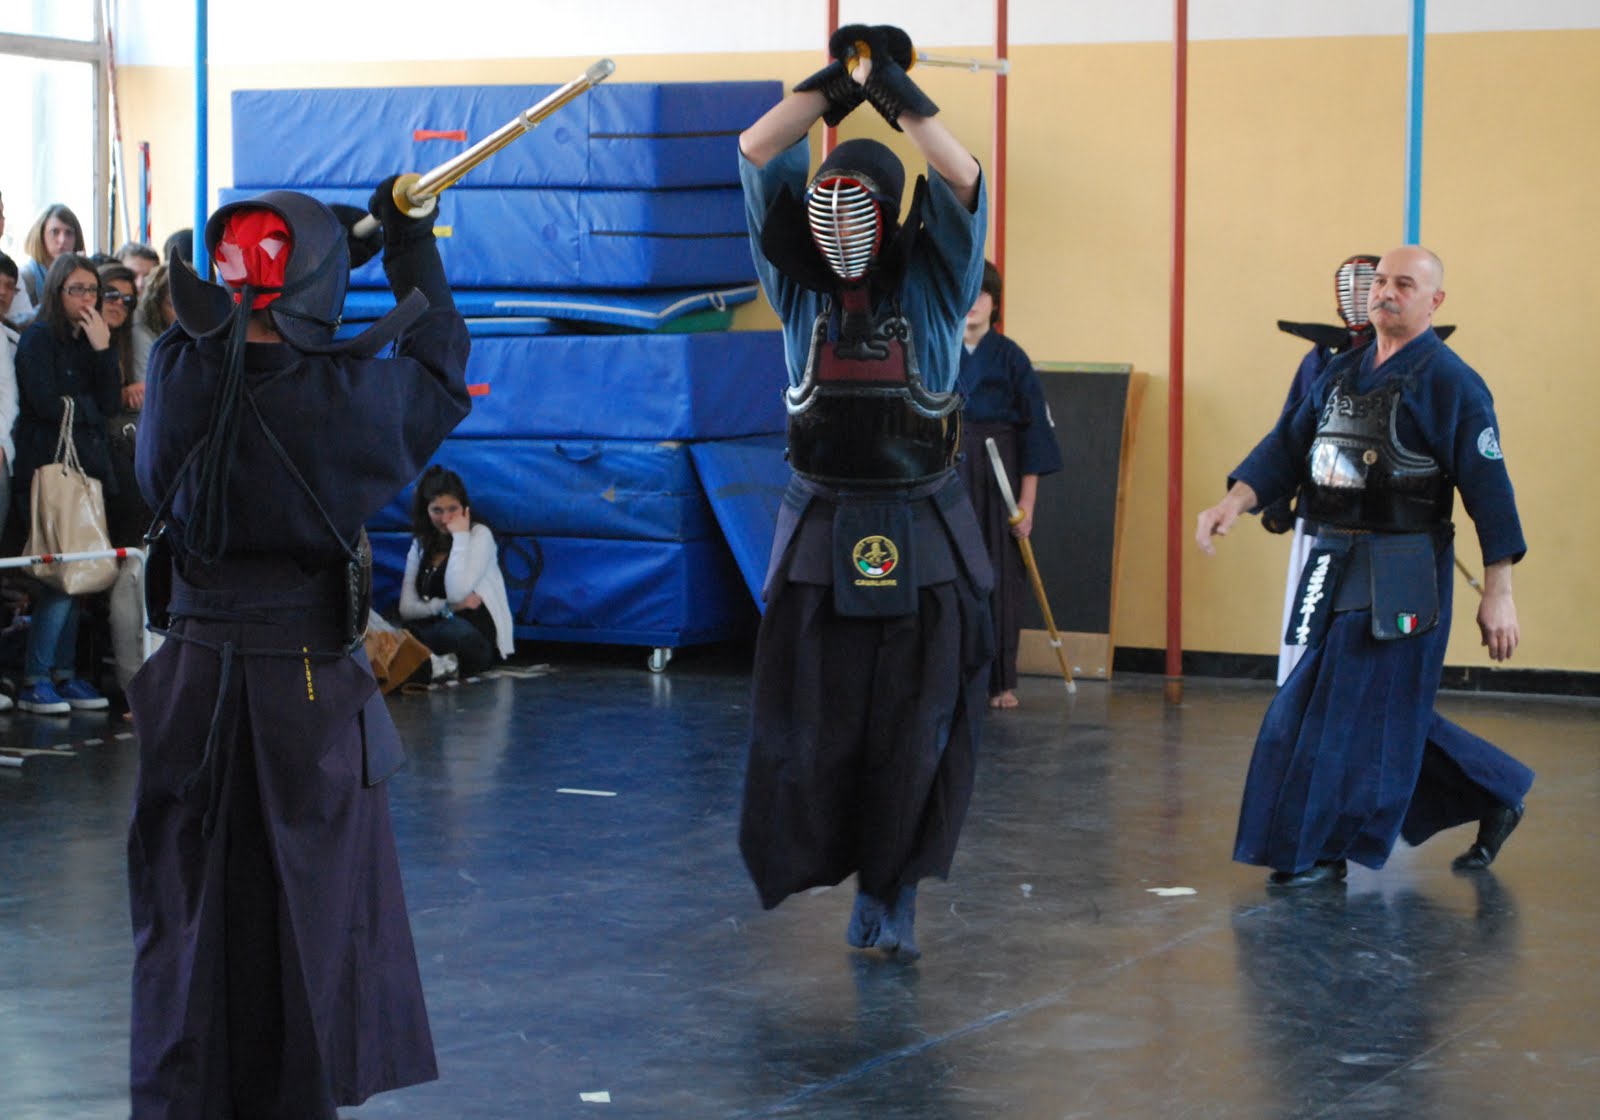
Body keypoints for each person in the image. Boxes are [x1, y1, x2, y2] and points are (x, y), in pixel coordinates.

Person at [126, 181, 471, 1117]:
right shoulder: (350, 398)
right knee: (306, 924)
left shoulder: (174, 374)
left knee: (190, 917)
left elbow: (226, 326)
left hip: (191, 677)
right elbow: (440, 365)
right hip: (305, 695)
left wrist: (327, 256)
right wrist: (403, 244)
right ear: (315, 292)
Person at [736, 24, 991, 960]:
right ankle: (819, 863)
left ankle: (892, 890)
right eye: (824, 200)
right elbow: (759, 149)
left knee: (913, 734)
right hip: (816, 532)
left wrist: (896, 94)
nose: (839, 219)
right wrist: (837, 90)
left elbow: (962, 179)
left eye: (859, 201)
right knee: (808, 728)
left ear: (890, 214)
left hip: (920, 532)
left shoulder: (932, 288)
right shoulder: (795, 293)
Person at [1196, 245, 1532, 888]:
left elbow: (1491, 494)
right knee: (1369, 702)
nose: (1386, 293)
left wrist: (1500, 594)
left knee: (1343, 705)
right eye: (1381, 281)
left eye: (1405, 285)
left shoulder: (1453, 383)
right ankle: (1494, 791)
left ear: (1434, 302)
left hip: (1404, 569)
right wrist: (1233, 501)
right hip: (1333, 557)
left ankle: (1322, 848)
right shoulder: (1341, 372)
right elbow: (1287, 446)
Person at [10, 253, 122, 713]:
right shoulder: (37, 338)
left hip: (87, 467)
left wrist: (103, 349)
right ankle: (37, 676)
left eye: (93, 290)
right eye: (76, 289)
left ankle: (64, 672)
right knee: (59, 573)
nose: (87, 298)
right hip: (48, 466)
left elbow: (110, 403)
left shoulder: (93, 339)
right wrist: (87, 406)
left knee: (82, 571)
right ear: (57, 292)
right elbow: (44, 402)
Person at [954, 261, 1063, 708]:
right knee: (951, 572)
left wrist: (1027, 504)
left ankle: (1001, 680)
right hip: (951, 467)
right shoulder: (938, 352)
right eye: (967, 292)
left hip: (1001, 468)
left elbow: (1036, 432)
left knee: (999, 574)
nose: (974, 303)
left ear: (995, 303)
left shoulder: (1011, 357)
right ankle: (953, 675)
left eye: (983, 294)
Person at [397, 464, 514, 678]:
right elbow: (406, 607)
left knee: (452, 634)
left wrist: (460, 537)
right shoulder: (421, 543)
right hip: (434, 624)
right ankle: (431, 663)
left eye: (453, 509)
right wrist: (445, 607)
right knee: (397, 628)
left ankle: (427, 661)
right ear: (426, 510)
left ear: (465, 508)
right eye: (437, 510)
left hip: (474, 636)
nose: (445, 519)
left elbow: (456, 591)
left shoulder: (480, 535)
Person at [14, 203, 87, 324]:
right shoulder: (24, 277)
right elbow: (15, 323)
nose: (62, 240)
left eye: (69, 233)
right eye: (55, 232)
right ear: (40, 235)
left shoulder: (82, 276)